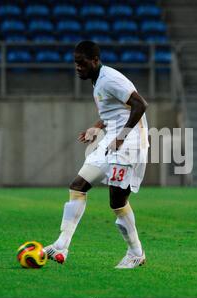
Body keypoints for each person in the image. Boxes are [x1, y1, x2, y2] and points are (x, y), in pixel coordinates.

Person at [44, 41, 149, 269]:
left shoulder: (110, 79)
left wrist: (121, 136)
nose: (78, 68)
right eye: (75, 64)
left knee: (117, 203)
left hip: (129, 145)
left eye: (82, 64)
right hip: (112, 141)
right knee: (77, 186)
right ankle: (62, 245)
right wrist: (97, 127)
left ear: (95, 61)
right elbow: (116, 109)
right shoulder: (98, 80)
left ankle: (136, 253)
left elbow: (140, 105)